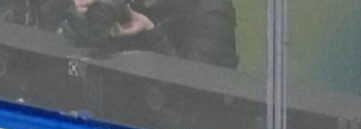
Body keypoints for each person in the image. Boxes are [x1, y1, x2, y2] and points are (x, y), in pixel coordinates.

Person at [47, 0, 239, 68]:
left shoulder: (211, 12)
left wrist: (150, 33)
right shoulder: (117, 4)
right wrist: (80, 15)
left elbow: (199, 99)